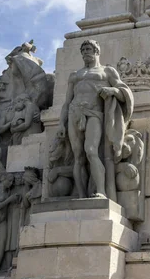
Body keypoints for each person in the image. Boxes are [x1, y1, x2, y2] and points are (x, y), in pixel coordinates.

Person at [57, 40, 134, 199]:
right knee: (78, 157)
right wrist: (60, 124)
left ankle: (101, 191)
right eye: (83, 49)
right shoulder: (74, 75)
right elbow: (66, 102)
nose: (85, 52)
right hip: (74, 113)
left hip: (94, 113)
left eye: (88, 49)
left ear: (96, 51)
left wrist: (112, 90)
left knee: (91, 151)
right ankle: (81, 194)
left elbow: (123, 91)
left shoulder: (107, 71)